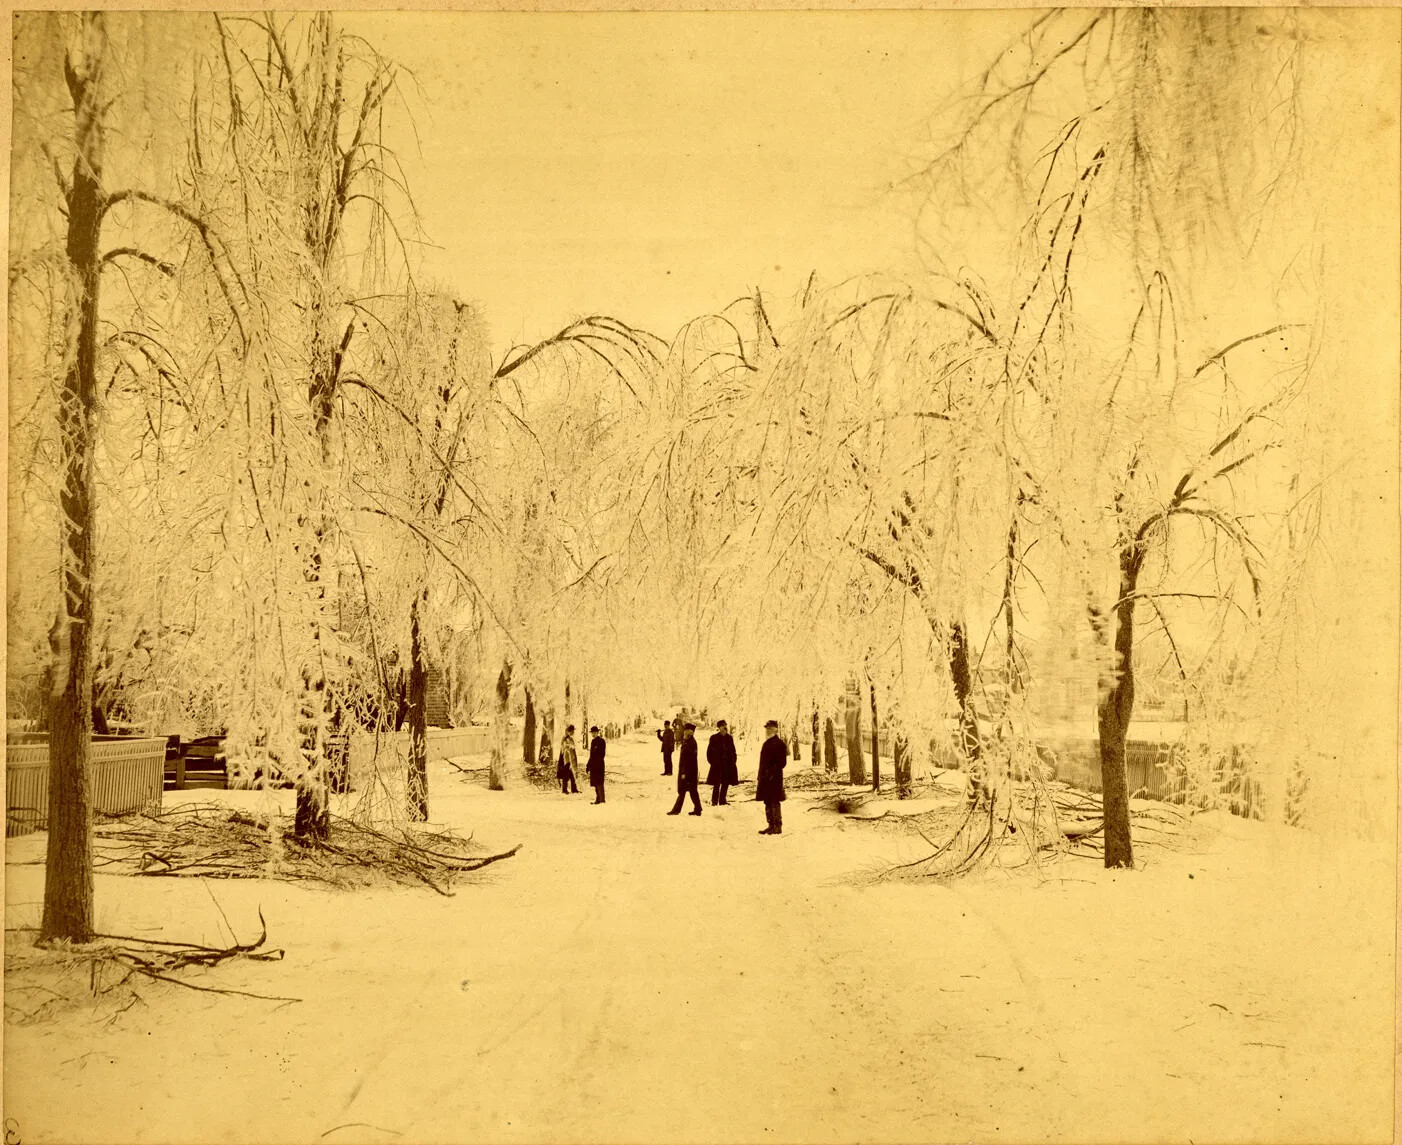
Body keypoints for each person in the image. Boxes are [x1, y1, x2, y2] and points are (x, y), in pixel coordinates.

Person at [755, 719, 788, 834]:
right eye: (767, 729)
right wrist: (761, 775)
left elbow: (782, 763)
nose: (768, 731)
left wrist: (771, 772)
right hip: (765, 778)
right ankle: (770, 825)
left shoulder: (780, 744)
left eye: (770, 729)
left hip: (775, 778)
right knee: (767, 801)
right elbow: (762, 762)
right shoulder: (766, 743)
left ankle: (777, 826)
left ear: (775, 730)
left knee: (774, 801)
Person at [667, 722, 702, 816]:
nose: (685, 733)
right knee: (692, 791)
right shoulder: (688, 741)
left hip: (688, 772)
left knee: (683, 791)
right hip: (690, 771)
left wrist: (684, 772)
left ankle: (676, 810)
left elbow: (688, 760)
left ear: (691, 732)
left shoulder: (691, 743)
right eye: (685, 731)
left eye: (687, 731)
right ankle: (698, 809)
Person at [705, 719, 738, 805]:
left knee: (726, 783)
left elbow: (733, 751)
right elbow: (709, 752)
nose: (724, 727)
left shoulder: (729, 738)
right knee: (717, 783)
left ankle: (722, 800)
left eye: (725, 725)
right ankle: (714, 801)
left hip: (727, 764)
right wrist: (713, 762)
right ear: (719, 728)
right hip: (717, 765)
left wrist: (733, 761)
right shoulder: (714, 738)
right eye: (722, 726)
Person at [557, 725, 580, 794]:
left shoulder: (570, 738)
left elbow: (572, 747)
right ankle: (564, 789)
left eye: (573, 731)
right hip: (566, 758)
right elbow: (564, 748)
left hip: (571, 758)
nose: (573, 732)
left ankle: (574, 789)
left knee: (572, 773)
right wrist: (569, 747)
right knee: (565, 774)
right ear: (568, 731)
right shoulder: (565, 739)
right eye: (572, 731)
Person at [587, 726, 607, 804]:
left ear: (597, 732)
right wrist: (588, 765)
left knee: (600, 782)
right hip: (593, 765)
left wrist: (597, 762)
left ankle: (602, 800)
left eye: (594, 732)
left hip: (599, 764)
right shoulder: (592, 741)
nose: (593, 734)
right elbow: (591, 755)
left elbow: (602, 754)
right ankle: (597, 799)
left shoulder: (601, 741)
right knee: (595, 782)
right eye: (592, 733)